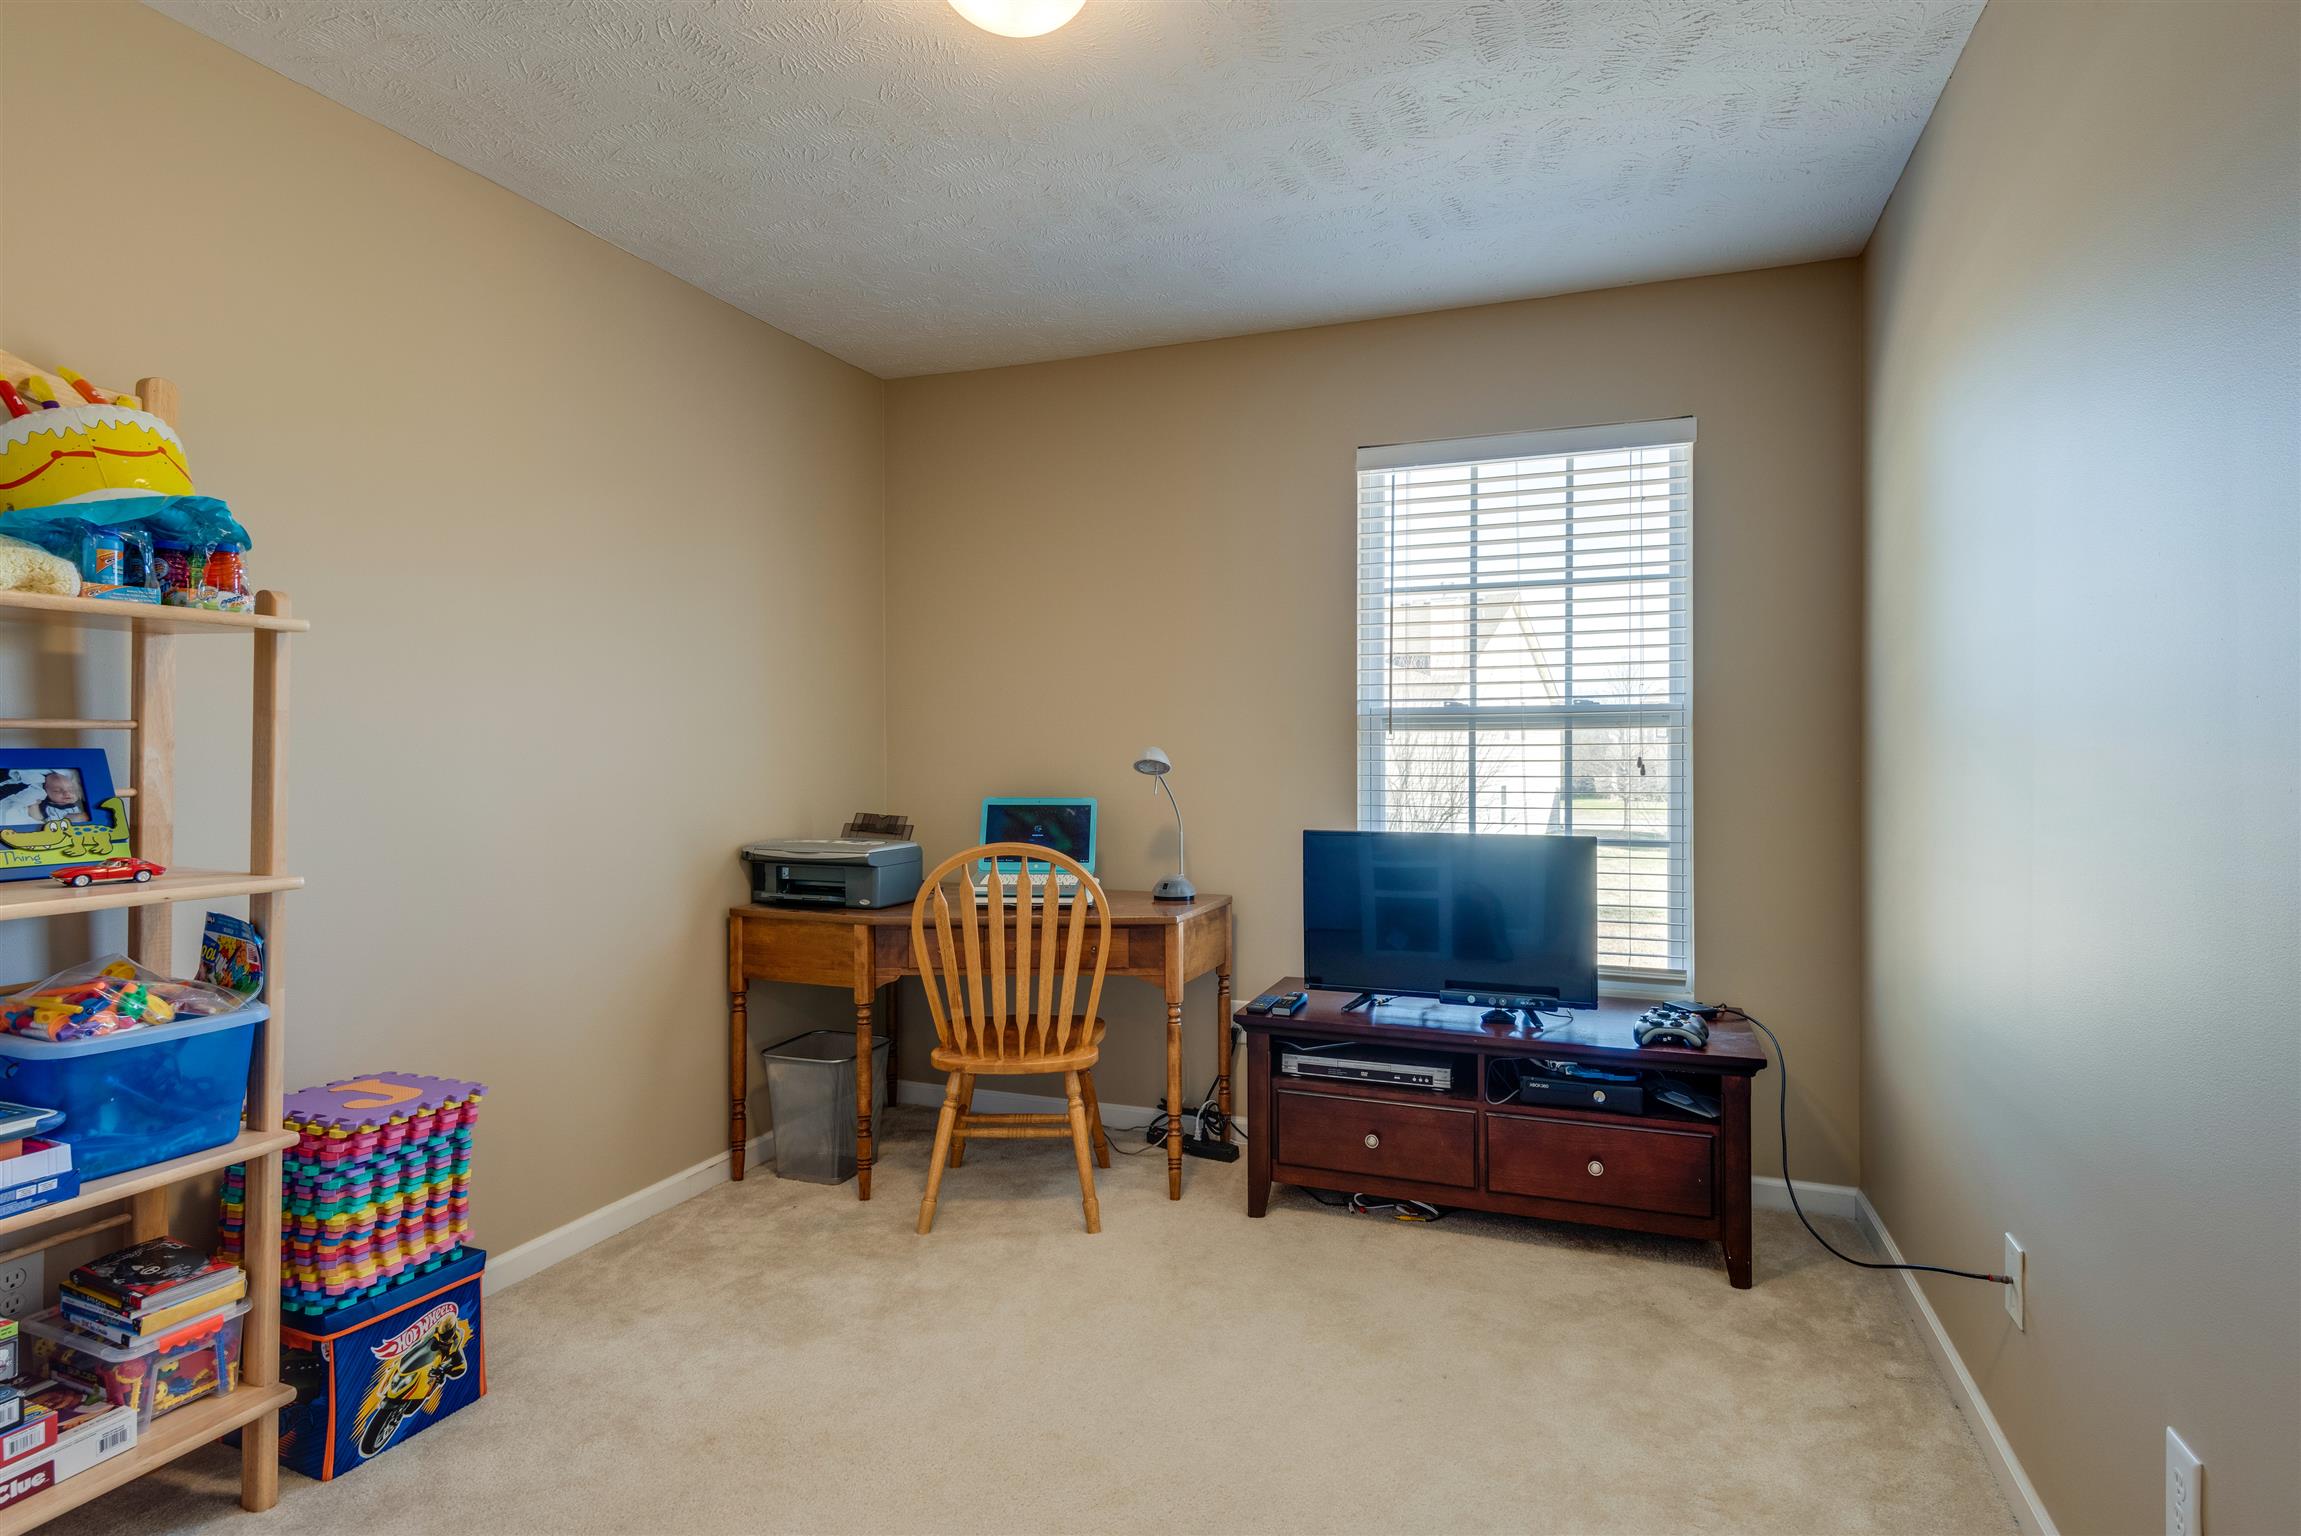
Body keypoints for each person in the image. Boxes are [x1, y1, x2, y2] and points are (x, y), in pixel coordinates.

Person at [0, 770, 89, 827]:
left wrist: (81, 816)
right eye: (57, 791)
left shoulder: (77, 803)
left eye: (71, 789)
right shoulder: (45, 804)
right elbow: (38, 818)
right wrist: (34, 805)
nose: (67, 793)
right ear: (47, 792)